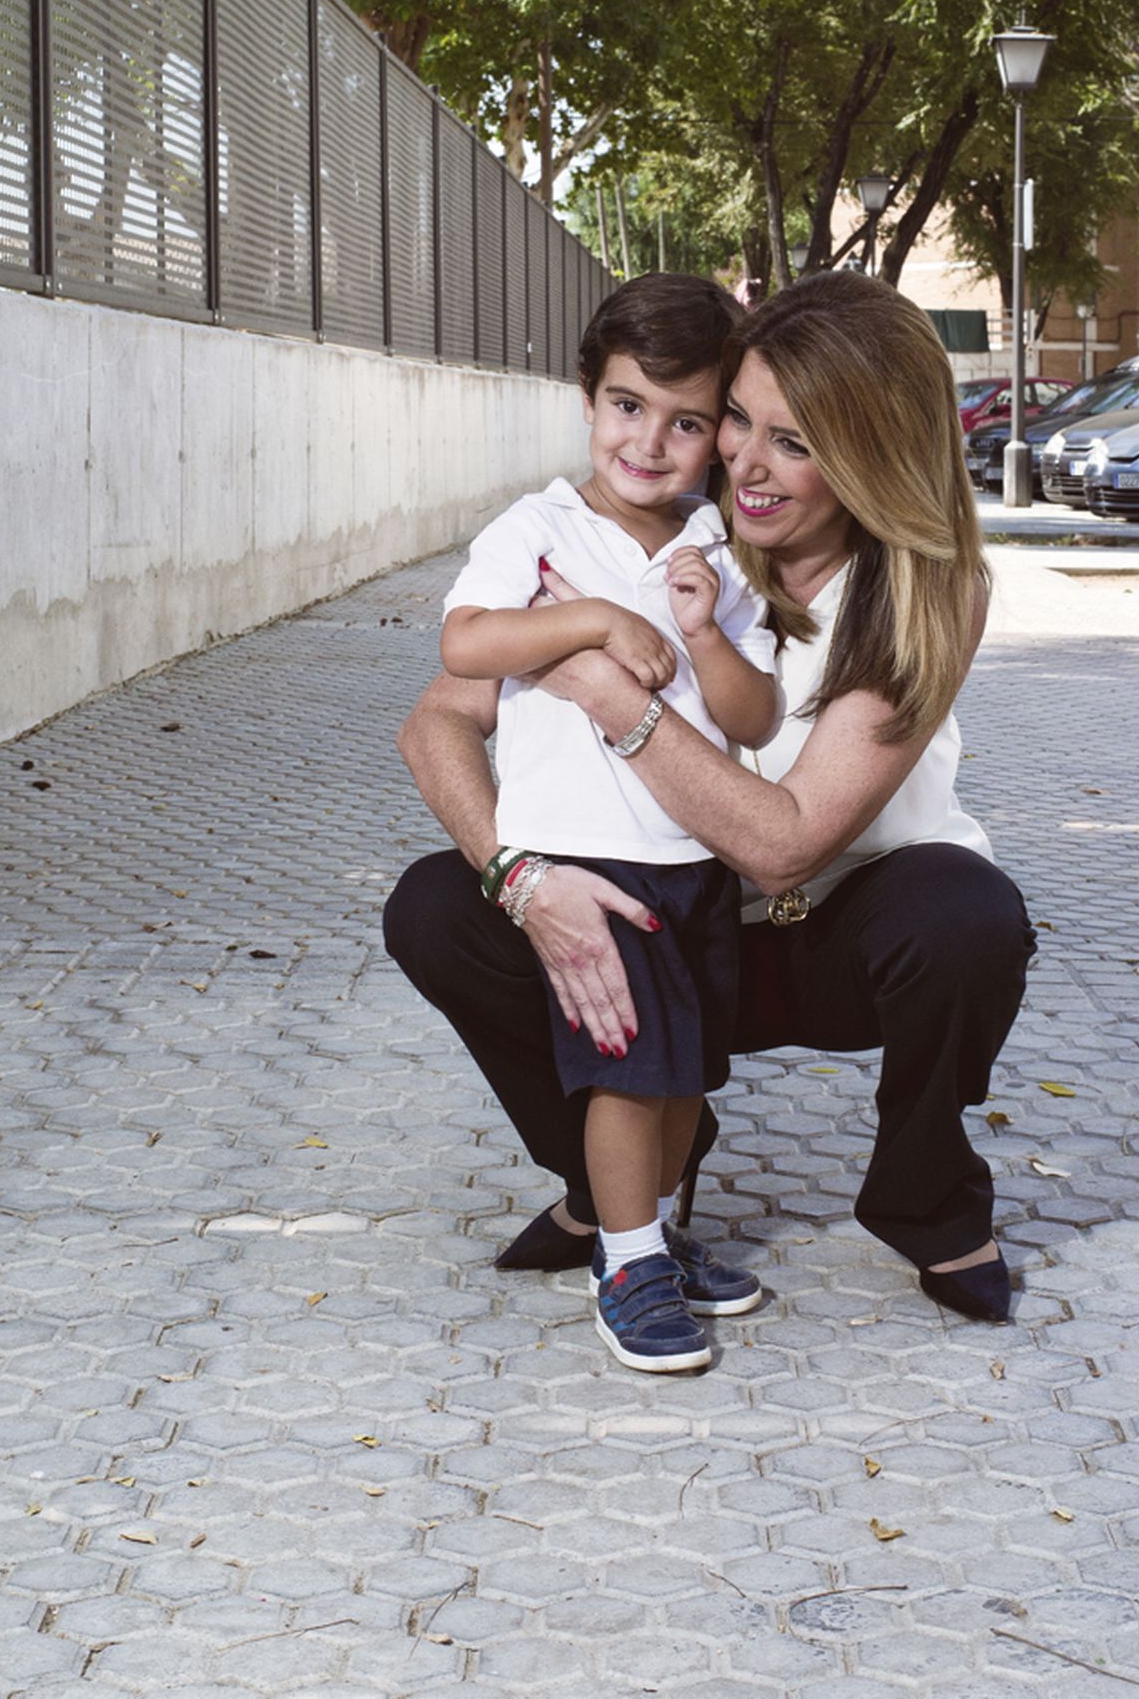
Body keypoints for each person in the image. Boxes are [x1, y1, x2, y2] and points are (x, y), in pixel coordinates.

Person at [386, 272, 1035, 1326]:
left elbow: (784, 846)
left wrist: (607, 692)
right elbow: (437, 719)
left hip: (837, 938)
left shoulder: (925, 587)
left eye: (797, 440)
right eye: (737, 418)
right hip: (674, 926)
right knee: (434, 903)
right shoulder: (666, 537)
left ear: (870, 450)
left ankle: (924, 1192)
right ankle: (609, 1190)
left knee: (968, 914)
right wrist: (522, 875)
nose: (743, 459)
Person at [435, 272, 780, 1374]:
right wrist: (586, 618)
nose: (651, 441)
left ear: (716, 433)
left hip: (692, 859)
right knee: (627, 1071)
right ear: (588, 396)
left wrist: (705, 634)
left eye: (686, 421)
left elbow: (754, 713)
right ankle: (626, 1267)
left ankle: (654, 1236)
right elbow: (465, 644)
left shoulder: (720, 552)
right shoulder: (535, 529)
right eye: (629, 404)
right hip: (586, 861)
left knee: (682, 1078)